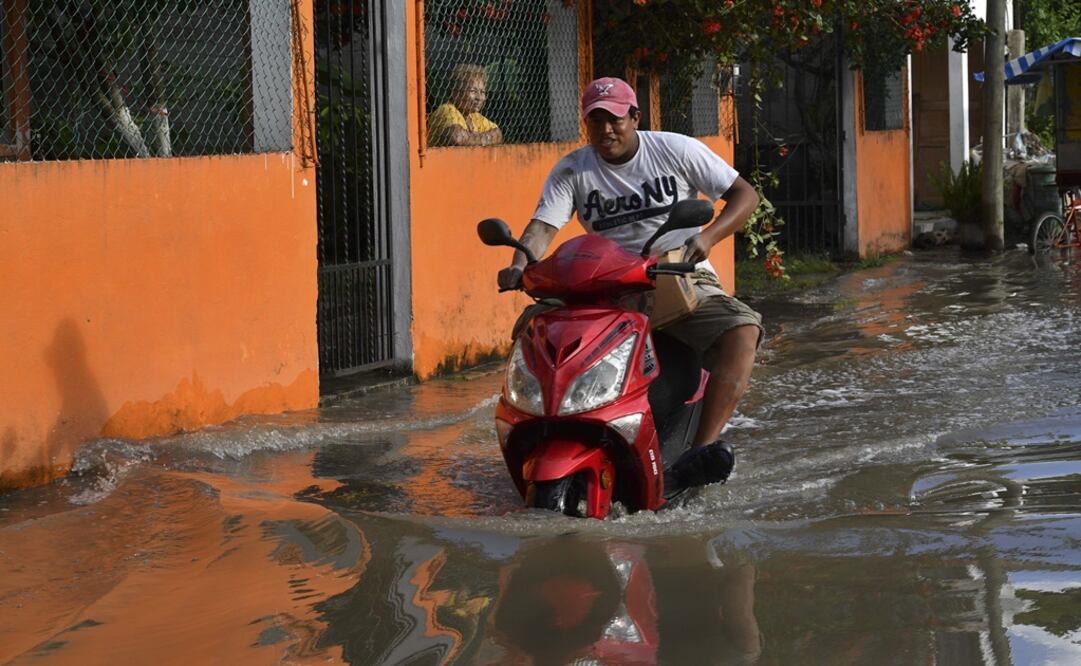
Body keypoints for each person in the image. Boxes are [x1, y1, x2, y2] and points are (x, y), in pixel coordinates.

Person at [496, 76, 763, 487]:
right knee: (532, 332)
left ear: (635, 116)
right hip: (604, 287)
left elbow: (744, 194)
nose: (606, 130)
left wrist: (707, 237)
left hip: (677, 275)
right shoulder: (573, 168)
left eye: (615, 119)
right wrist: (519, 263)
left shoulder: (674, 149)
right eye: (596, 121)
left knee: (743, 331)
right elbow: (541, 228)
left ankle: (699, 453)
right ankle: (537, 430)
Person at [427, 64, 504, 147]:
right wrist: (483, 138)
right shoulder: (446, 110)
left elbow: (497, 134)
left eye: (482, 92)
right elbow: (457, 137)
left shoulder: (474, 116)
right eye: (473, 91)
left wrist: (470, 139)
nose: (479, 98)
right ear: (456, 93)